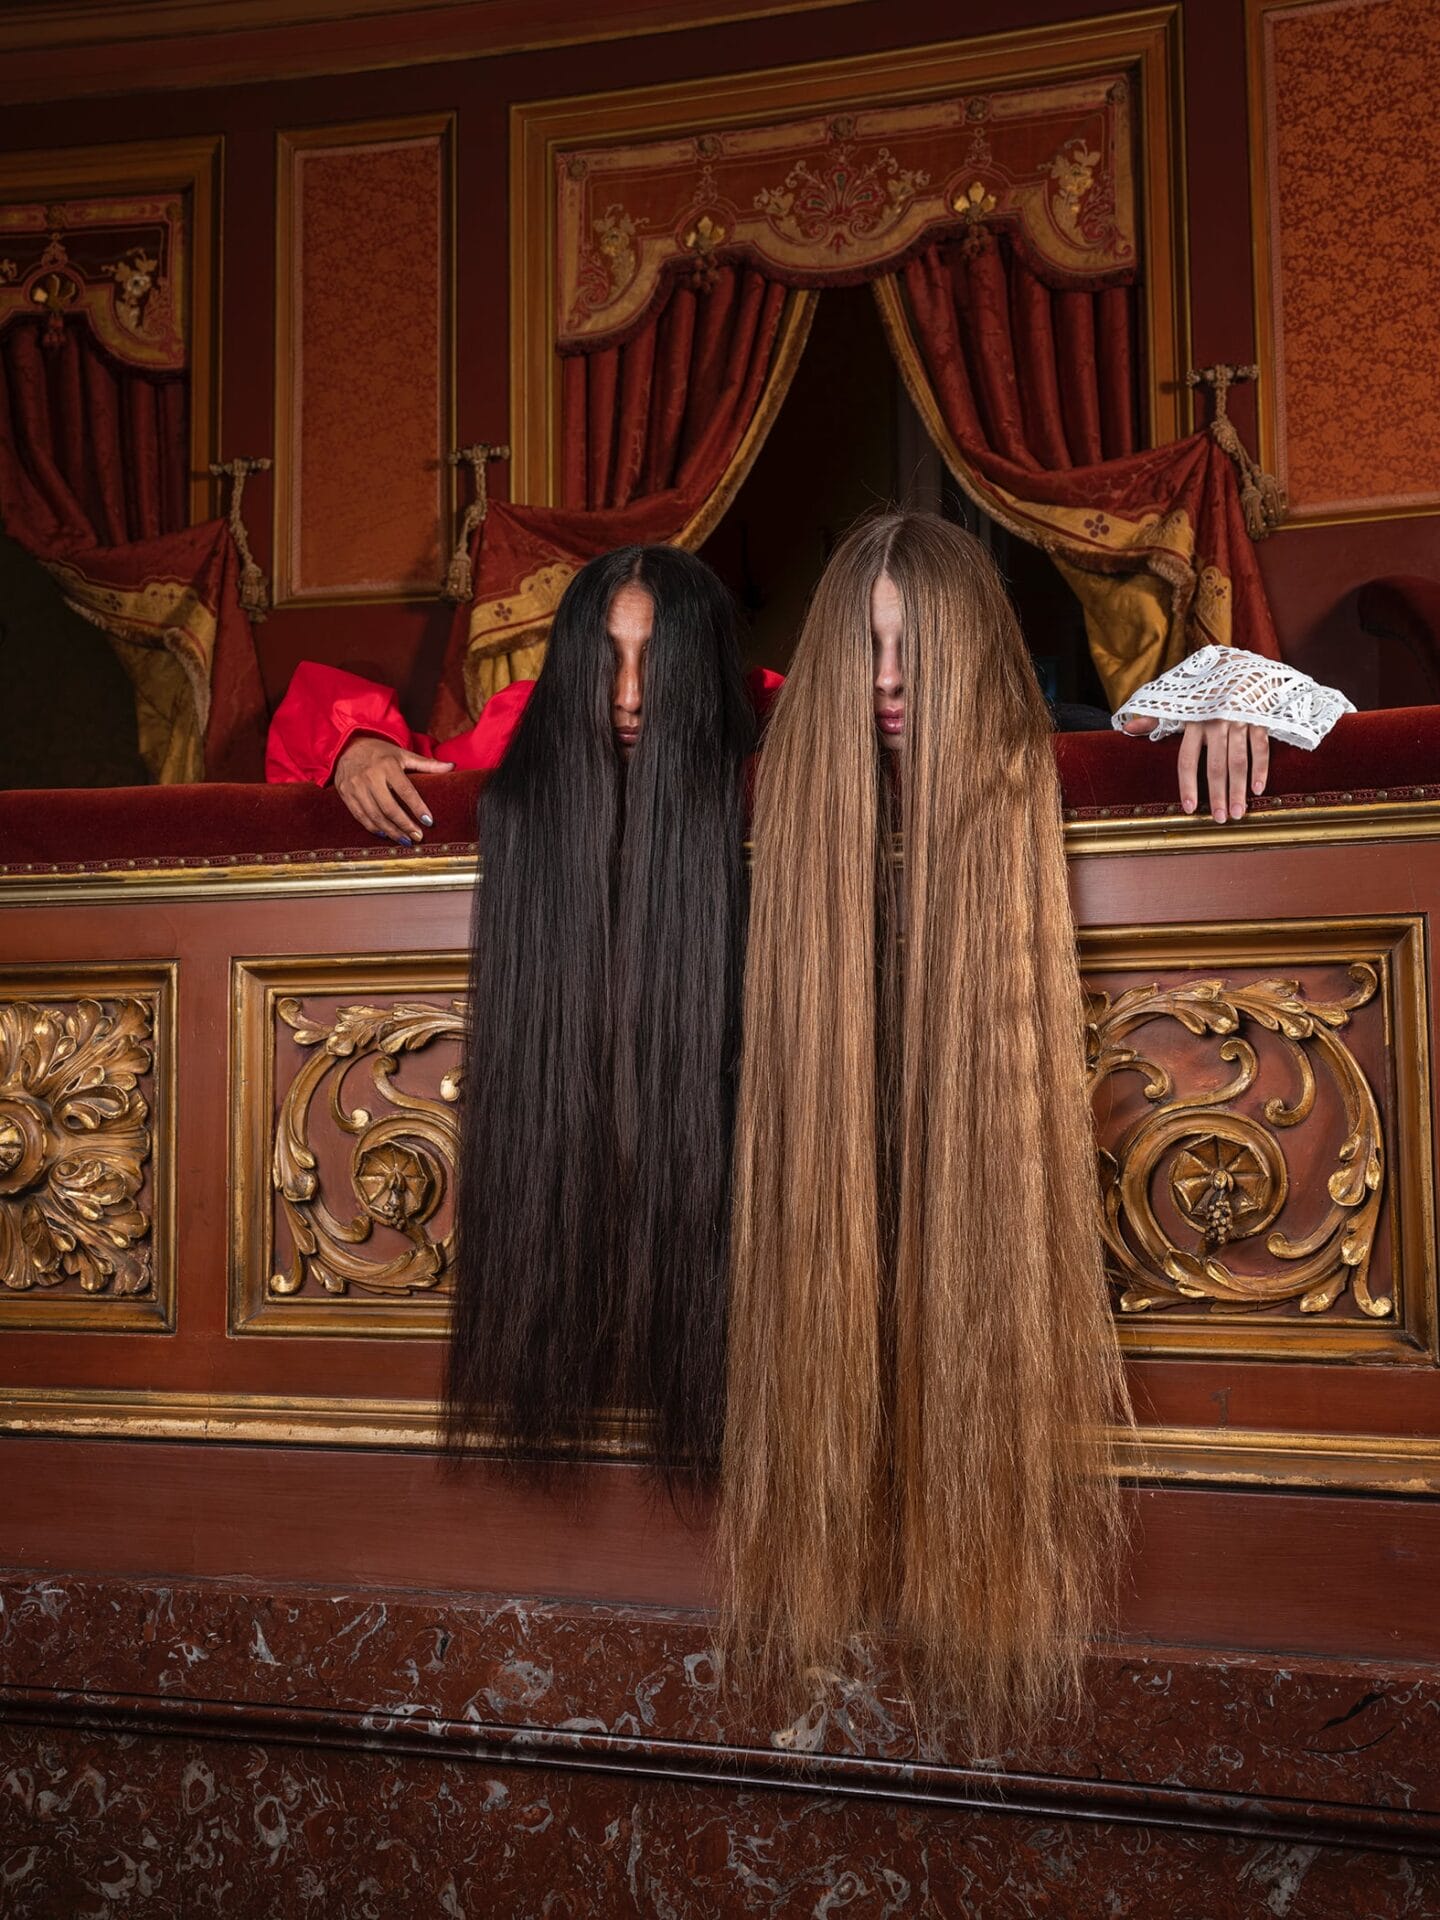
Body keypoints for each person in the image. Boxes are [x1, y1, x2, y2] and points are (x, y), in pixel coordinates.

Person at [719, 511, 1349, 1744]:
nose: (889, 681)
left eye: (915, 648)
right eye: (866, 650)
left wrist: (1239, 698)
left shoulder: (1044, 760)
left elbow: (1307, 702)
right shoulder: (766, 796)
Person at [439, 545, 764, 1482]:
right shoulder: (523, 725)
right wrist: (356, 750)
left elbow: (1023, 717)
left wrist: (1223, 688)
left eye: (653, 662)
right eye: (606, 660)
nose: (626, 696)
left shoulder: (773, 709)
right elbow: (337, 743)